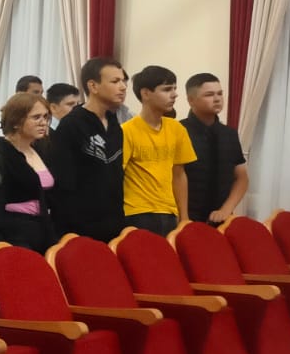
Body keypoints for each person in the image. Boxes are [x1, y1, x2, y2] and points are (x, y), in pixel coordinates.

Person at [52, 57, 128, 242]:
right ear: (93, 86)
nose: (123, 87)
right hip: (79, 227)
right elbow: (63, 182)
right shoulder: (72, 125)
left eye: (123, 81)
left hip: (113, 223)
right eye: (115, 81)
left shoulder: (114, 124)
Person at [121, 65, 196, 235]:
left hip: (169, 211)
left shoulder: (177, 129)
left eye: (175, 89)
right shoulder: (126, 131)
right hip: (136, 212)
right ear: (146, 93)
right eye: (167, 89)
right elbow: (117, 175)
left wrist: (184, 216)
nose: (174, 94)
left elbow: (179, 174)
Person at [0, 92, 59, 252]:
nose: (43, 123)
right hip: (14, 234)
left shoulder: (41, 149)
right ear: (16, 122)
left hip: (44, 229)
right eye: (36, 117)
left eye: (46, 117)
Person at [181, 73, 249, 225]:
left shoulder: (229, 134)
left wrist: (226, 209)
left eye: (220, 93)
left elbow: (242, 178)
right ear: (191, 100)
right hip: (185, 217)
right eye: (209, 95)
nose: (217, 99)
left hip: (222, 218)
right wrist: (183, 217)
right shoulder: (178, 131)